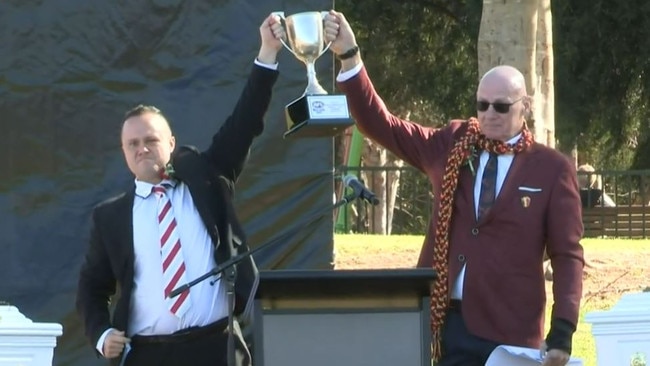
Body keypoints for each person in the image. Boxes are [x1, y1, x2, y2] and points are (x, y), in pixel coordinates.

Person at [323, 11, 584, 366]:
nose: (489, 113)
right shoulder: (453, 143)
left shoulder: (552, 169)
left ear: (524, 107)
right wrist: (350, 55)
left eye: (502, 106)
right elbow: (381, 125)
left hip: (510, 333)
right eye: (482, 104)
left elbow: (567, 256)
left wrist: (563, 332)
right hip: (444, 325)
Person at [75, 14, 284, 366]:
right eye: (133, 143)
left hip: (216, 348)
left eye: (151, 140)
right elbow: (91, 288)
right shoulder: (110, 216)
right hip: (147, 353)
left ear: (171, 143)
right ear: (124, 153)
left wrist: (267, 52)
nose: (142, 148)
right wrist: (101, 334)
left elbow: (245, 121)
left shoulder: (207, 179)